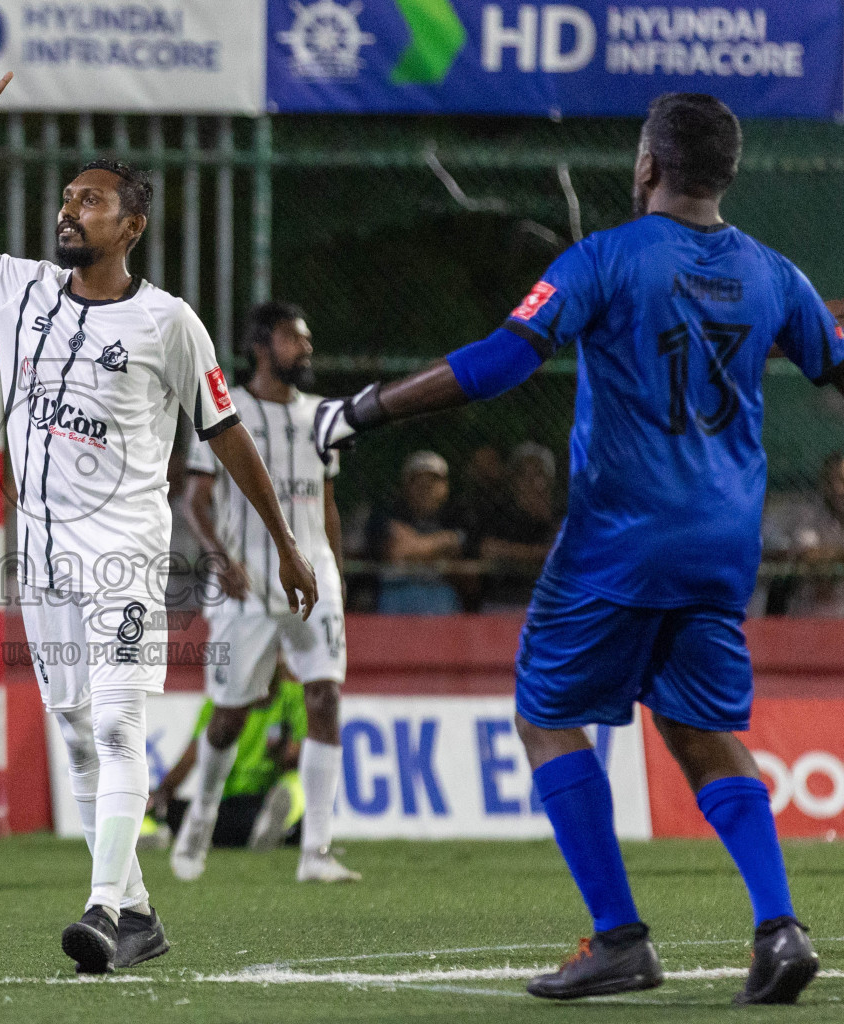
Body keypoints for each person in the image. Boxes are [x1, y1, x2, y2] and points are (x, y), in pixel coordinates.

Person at [314, 93, 836, 1004]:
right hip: (722, 545)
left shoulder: (606, 258)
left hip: (620, 539)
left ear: (648, 166)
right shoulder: (772, 274)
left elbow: (500, 362)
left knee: (545, 714)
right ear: (727, 174)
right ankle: (780, 928)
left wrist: (364, 408)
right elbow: (834, 360)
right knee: (705, 730)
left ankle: (620, 938)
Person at [0, 73, 318, 975]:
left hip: (124, 554)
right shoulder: (19, 290)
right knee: (78, 728)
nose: (70, 210)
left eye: (90, 201)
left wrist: (283, 542)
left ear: (131, 226)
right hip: (38, 555)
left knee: (121, 725)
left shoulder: (171, 323)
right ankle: (137, 913)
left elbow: (226, 432)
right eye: (67, 198)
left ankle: (101, 908)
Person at [176, 300, 357, 883]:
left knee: (324, 696)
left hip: (314, 578)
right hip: (246, 580)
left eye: (306, 339)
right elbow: (194, 499)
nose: (305, 348)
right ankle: (200, 815)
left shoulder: (322, 416)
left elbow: (326, 501)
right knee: (230, 715)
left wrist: (335, 568)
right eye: (292, 339)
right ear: (260, 346)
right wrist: (218, 559)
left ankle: (317, 852)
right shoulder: (225, 409)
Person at [149, 668, 308, 855]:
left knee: (296, 784)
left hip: (265, 796)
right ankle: (273, 830)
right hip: (228, 805)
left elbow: (298, 759)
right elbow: (191, 756)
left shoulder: (294, 697)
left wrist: (280, 750)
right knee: (174, 810)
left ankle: (274, 820)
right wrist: (162, 795)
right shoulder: (217, 702)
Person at [367, 451, 465, 613]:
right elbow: (395, 552)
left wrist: (412, 544)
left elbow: (460, 556)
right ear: (406, 486)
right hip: (397, 593)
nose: (425, 488)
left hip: (440, 595)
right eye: (418, 481)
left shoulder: (456, 516)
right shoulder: (386, 513)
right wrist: (441, 544)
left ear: (445, 488)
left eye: (432, 482)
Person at [474, 442, 562, 609]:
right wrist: (537, 554)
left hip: (550, 603)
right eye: (523, 474)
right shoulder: (500, 514)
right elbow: (488, 549)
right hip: (502, 602)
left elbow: (564, 554)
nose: (532, 481)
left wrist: (512, 553)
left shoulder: (562, 515)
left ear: (549, 481)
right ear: (514, 482)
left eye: (538, 473)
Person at [758, 451, 844, 616]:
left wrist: (833, 554)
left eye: (842, 481)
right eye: (832, 481)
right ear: (824, 484)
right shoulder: (808, 515)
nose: (838, 489)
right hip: (808, 615)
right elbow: (808, 555)